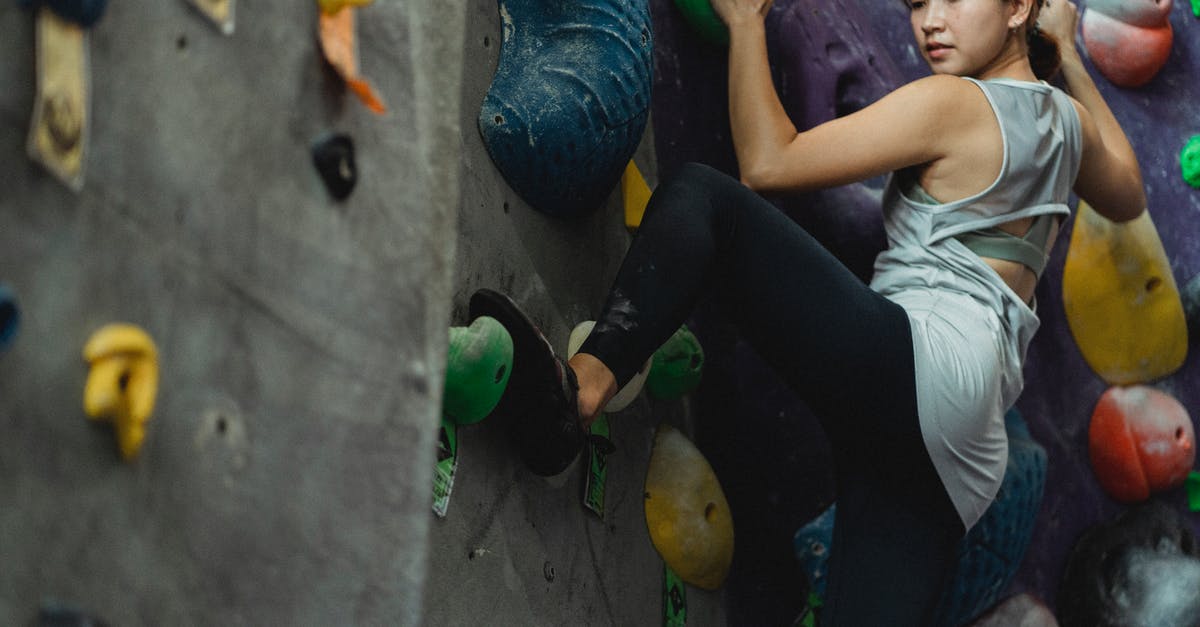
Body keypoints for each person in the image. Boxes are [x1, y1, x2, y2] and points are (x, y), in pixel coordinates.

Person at [471, 0, 1144, 623]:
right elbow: (1129, 197)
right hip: (967, 463)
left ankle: (577, 394)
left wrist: (743, 24)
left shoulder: (955, 103)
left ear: (1018, 7)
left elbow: (768, 161)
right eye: (916, 2)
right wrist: (1071, 61)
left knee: (704, 200)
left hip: (926, 371)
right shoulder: (1067, 125)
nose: (930, 21)